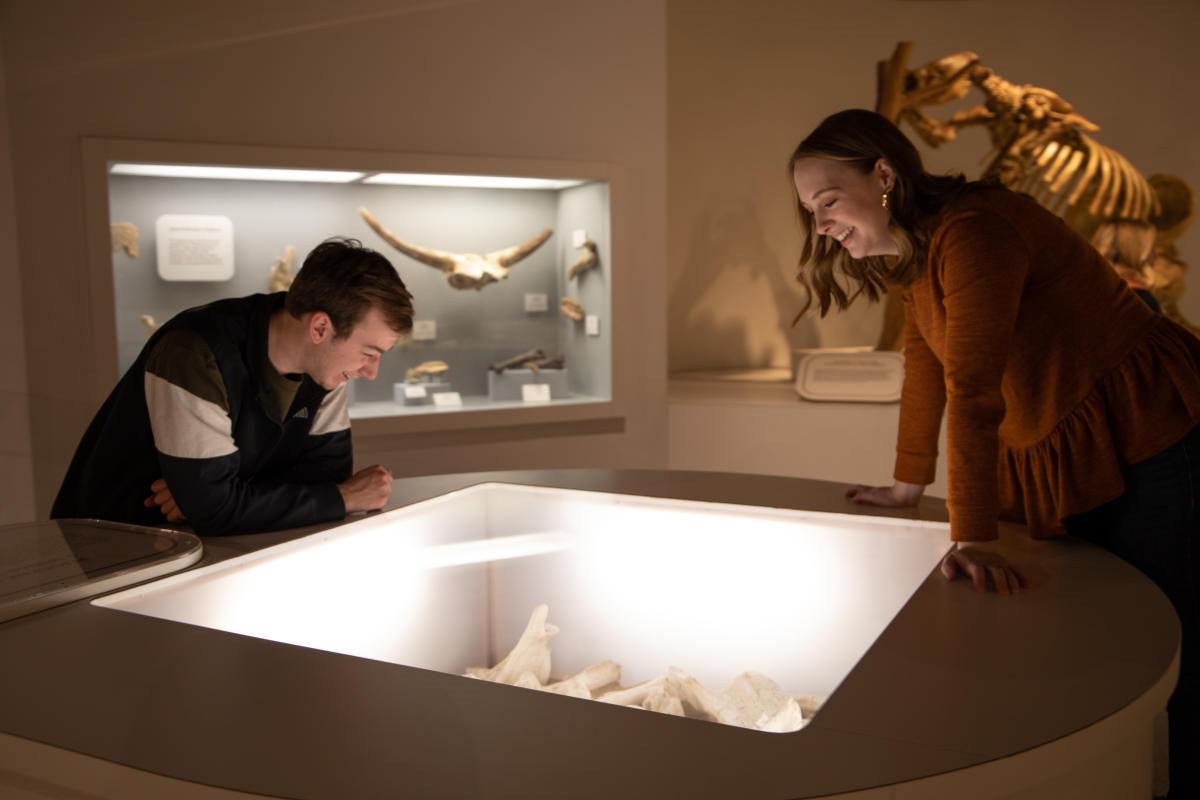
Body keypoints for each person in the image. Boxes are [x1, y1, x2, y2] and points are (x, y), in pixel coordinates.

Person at [789, 108, 1200, 798]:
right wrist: (906, 485)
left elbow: (973, 388)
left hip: (1152, 428)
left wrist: (972, 532)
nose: (820, 225)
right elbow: (925, 363)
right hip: (1077, 435)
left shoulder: (976, 232)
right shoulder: (919, 253)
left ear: (884, 175)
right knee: (1100, 635)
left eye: (828, 202)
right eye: (810, 211)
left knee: (1179, 639)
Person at [52, 237, 414, 536]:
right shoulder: (194, 353)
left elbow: (326, 478)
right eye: (369, 353)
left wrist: (210, 495)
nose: (371, 371)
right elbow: (219, 510)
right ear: (320, 328)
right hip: (109, 549)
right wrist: (212, 499)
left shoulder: (326, 367)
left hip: (195, 547)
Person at [1091, 217, 1163, 312]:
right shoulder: (1138, 300)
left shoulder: (1084, 285)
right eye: (1150, 247)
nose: (1154, 254)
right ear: (1135, 250)